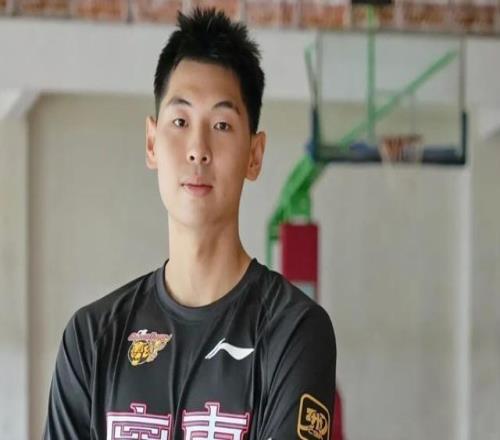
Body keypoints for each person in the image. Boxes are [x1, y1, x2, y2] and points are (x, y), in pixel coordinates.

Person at [43, 7, 336, 440]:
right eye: (180, 122)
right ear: (151, 142)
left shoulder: (293, 331)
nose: (198, 148)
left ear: (254, 155)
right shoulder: (92, 338)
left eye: (221, 124)